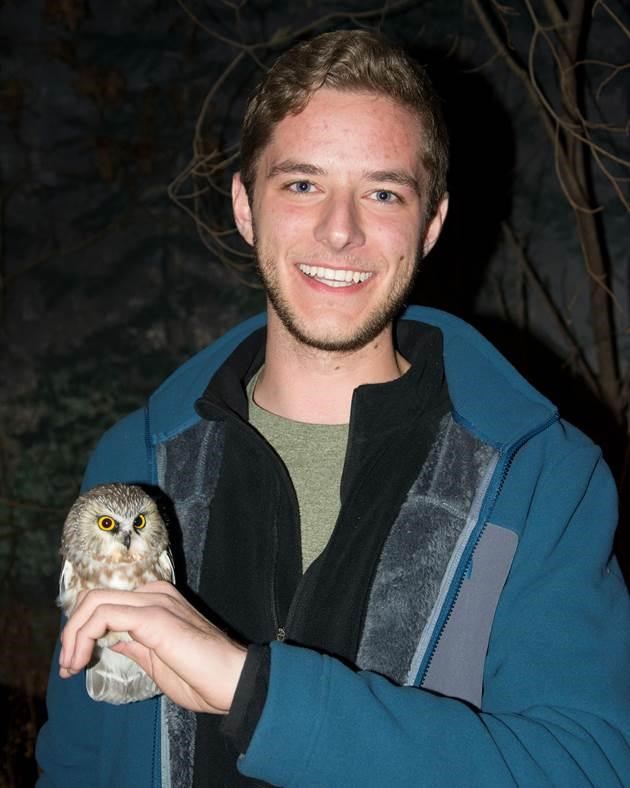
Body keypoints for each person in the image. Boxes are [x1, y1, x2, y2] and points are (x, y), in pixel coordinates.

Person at [37, 29, 629, 787]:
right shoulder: (134, 469)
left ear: (433, 223)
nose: (340, 231)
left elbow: (588, 769)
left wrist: (257, 695)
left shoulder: (540, 478)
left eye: (383, 193)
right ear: (247, 208)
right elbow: (80, 759)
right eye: (303, 184)